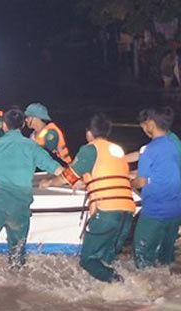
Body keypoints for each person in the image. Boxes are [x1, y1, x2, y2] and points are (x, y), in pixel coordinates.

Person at [39, 113, 135, 283]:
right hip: (127, 212)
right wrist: (85, 183)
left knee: (88, 261)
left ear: (89, 132)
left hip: (106, 212)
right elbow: (107, 175)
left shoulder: (90, 149)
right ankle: (118, 293)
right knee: (107, 258)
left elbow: (67, 177)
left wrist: (49, 182)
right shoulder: (117, 150)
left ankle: (121, 283)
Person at [0, 109, 62, 270]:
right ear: (23, 124)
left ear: (4, 125)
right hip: (19, 208)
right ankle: (16, 283)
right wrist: (63, 181)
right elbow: (59, 170)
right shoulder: (32, 147)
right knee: (17, 253)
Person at [127, 121, 181, 247]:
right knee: (178, 236)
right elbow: (144, 155)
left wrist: (130, 176)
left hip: (179, 194)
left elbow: (153, 167)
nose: (144, 130)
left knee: (173, 235)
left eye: (144, 126)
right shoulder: (169, 140)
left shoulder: (167, 144)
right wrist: (118, 161)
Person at [130, 107, 181, 269]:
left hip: (154, 211)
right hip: (175, 211)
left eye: (144, 125)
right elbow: (161, 171)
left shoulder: (149, 150)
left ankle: (148, 289)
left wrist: (129, 183)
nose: (144, 129)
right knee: (165, 258)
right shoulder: (173, 145)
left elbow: (141, 182)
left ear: (151, 124)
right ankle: (169, 288)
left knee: (141, 255)